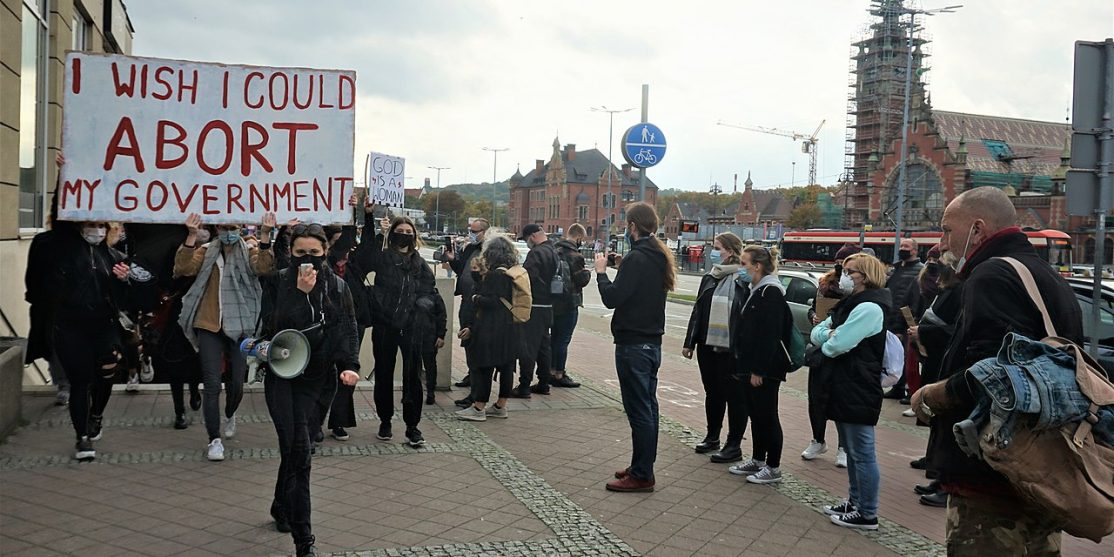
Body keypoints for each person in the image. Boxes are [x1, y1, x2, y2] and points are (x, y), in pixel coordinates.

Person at [911, 186, 1083, 556]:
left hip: (994, 477)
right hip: (1042, 469)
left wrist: (933, 394)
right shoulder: (1044, 275)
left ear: (977, 229)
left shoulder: (992, 276)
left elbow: (994, 375)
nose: (941, 243)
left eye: (946, 229)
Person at [259, 223, 360, 557]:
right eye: (300, 253)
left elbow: (347, 328)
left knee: (295, 450)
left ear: (325, 253)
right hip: (284, 379)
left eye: (314, 254)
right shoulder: (277, 282)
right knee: (300, 453)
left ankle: (280, 504)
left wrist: (349, 364)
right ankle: (305, 540)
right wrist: (301, 297)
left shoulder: (338, 286)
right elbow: (274, 327)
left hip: (319, 381)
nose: (307, 260)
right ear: (291, 253)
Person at [174, 212, 276, 461]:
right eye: (224, 227)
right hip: (209, 324)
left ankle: (231, 412)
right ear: (217, 227)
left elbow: (263, 267)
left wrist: (264, 235)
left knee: (237, 383)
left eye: (233, 227)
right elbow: (183, 268)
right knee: (211, 383)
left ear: (240, 227)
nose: (228, 231)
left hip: (241, 325)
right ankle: (214, 439)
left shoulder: (250, 249)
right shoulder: (206, 250)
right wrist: (190, 236)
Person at [596, 202, 675, 492]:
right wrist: (622, 265)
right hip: (651, 342)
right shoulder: (657, 255)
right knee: (648, 408)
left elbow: (612, 298)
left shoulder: (637, 259)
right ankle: (642, 465)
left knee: (639, 410)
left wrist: (602, 272)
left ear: (632, 227)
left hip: (634, 342)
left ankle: (642, 474)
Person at [810, 253, 892, 531]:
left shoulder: (870, 307)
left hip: (858, 385)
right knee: (855, 450)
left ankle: (867, 512)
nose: (843, 276)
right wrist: (830, 334)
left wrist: (831, 336)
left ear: (865, 276)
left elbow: (836, 344)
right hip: (845, 383)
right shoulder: (851, 304)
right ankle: (855, 501)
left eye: (849, 271)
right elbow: (820, 331)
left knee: (862, 452)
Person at [49, 220, 133, 460]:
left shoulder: (115, 257)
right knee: (80, 380)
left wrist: (122, 280)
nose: (95, 230)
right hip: (71, 325)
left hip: (104, 324)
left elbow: (125, 299)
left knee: (107, 371)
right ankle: (82, 436)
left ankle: (96, 414)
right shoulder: (64, 253)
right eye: (89, 224)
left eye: (100, 226)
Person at [367, 215, 438, 447]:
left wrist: (422, 305)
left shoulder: (419, 262)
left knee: (412, 377)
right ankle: (385, 420)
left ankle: (412, 426)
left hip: (412, 327)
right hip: (385, 325)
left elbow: (430, 290)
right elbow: (365, 256)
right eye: (401, 230)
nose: (405, 234)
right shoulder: (383, 258)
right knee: (384, 375)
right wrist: (378, 230)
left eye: (409, 231)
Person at [682, 232, 750, 464]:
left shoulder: (743, 279)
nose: (713, 251)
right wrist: (689, 341)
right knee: (713, 393)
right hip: (707, 344)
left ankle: (734, 445)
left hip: (731, 347)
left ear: (730, 251)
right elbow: (698, 310)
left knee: (735, 396)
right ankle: (712, 437)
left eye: (717, 247)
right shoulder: (710, 277)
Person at [728, 245, 792, 485]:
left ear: (757, 266)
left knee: (767, 415)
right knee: (756, 414)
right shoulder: (756, 289)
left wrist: (759, 370)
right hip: (750, 365)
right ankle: (758, 459)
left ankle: (773, 466)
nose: (741, 268)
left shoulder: (770, 293)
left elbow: (769, 336)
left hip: (766, 369)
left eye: (744, 263)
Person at [907, 250, 963, 507]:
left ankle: (944, 480)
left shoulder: (959, 292)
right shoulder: (946, 290)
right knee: (936, 419)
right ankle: (935, 468)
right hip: (936, 361)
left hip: (945, 361)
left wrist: (924, 331)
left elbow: (952, 331)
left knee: (945, 422)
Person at [801, 244, 861, 468]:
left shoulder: (859, 293)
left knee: (839, 400)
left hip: (844, 350)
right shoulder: (824, 283)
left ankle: (843, 447)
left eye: (846, 265)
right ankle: (818, 439)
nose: (841, 269)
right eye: (839, 263)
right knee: (816, 399)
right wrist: (814, 316)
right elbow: (813, 307)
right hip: (821, 350)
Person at [455, 235, 523, 421]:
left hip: (491, 328)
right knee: (507, 366)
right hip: (510, 326)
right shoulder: (512, 271)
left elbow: (492, 302)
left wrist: (476, 298)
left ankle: (478, 408)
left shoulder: (494, 275)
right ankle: (501, 406)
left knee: (484, 366)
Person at [443, 218, 489, 404]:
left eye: (475, 230)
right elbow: (462, 270)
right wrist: (453, 260)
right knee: (467, 339)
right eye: (471, 229)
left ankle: (477, 391)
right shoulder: (470, 248)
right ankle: (472, 375)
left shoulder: (489, 251)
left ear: (485, 231)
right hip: (466, 300)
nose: (472, 233)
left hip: (479, 302)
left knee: (476, 342)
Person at [514, 224, 559, 397]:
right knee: (543, 347)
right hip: (549, 306)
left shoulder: (537, 253)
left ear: (532, 236)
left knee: (528, 347)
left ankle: (524, 386)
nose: (527, 243)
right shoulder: (554, 251)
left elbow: (527, 279)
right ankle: (544, 383)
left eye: (526, 240)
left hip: (535, 305)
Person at [550, 223, 592, 389]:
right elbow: (581, 280)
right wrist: (588, 272)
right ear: (579, 237)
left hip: (553, 301)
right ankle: (560, 373)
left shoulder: (554, 250)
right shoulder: (575, 255)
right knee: (563, 339)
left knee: (554, 338)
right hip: (569, 302)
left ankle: (550, 371)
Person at [882, 238, 923, 401]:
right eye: (901, 246)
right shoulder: (896, 269)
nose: (902, 249)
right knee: (894, 355)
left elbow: (915, 299)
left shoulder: (920, 271)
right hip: (891, 318)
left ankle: (907, 389)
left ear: (914, 250)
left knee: (907, 357)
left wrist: (905, 323)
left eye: (906, 246)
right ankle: (897, 387)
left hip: (906, 321)